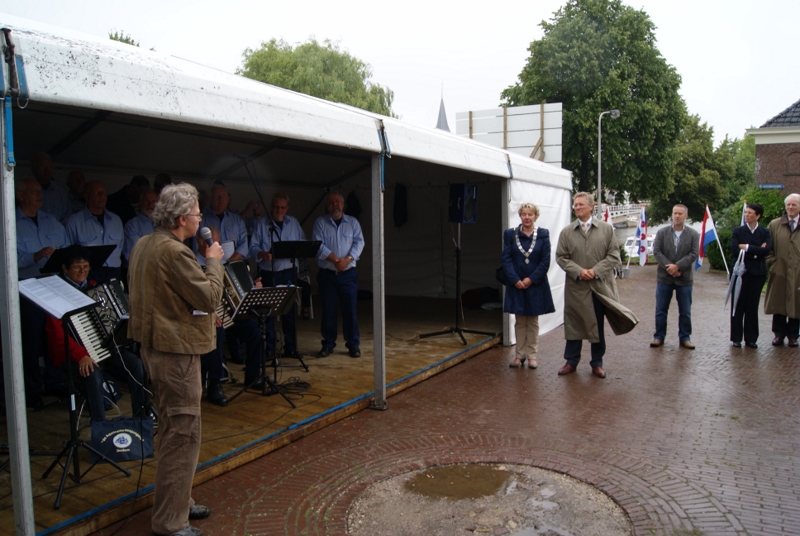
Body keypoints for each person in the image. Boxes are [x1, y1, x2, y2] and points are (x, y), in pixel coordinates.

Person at [128, 183, 224, 536]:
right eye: (198, 214)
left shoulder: (144, 243)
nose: (201, 220)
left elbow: (166, 298)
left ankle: (178, 501)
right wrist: (213, 261)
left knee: (172, 429)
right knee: (182, 434)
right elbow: (209, 296)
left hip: (155, 347)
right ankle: (170, 521)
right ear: (182, 219)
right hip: (175, 354)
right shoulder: (175, 253)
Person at [44, 246, 148, 421]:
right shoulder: (57, 295)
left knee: (136, 364)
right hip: (76, 354)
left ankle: (141, 416)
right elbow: (57, 337)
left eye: (85, 266)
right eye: (77, 267)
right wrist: (81, 355)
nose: (82, 271)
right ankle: (100, 425)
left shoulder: (95, 288)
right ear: (65, 268)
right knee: (92, 373)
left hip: (104, 348)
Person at [555, 192, 638, 378]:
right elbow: (561, 257)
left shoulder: (606, 230)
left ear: (591, 207)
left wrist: (596, 271)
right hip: (576, 287)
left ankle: (597, 363)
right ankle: (571, 361)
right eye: (575, 205)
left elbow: (614, 256)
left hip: (599, 286)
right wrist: (578, 271)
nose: (577, 207)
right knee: (574, 323)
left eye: (581, 204)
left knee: (597, 324)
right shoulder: (567, 232)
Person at [15, 177, 70, 408]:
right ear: (21, 195)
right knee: (30, 340)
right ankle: (32, 390)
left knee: (54, 336)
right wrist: (34, 256)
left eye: (40, 191)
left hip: (52, 285)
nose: (39, 195)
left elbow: (66, 250)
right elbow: (8, 259)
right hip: (27, 287)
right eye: (33, 191)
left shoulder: (52, 221)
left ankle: (54, 382)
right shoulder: (11, 222)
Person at [196, 227, 263, 405]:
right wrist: (210, 313)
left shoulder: (224, 263)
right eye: (210, 243)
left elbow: (236, 291)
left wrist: (253, 288)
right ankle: (215, 384)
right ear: (199, 243)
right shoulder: (193, 264)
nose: (214, 246)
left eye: (217, 242)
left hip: (231, 315)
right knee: (217, 332)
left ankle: (253, 375)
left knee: (254, 331)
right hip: (207, 317)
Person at [250, 193, 306, 357]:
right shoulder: (262, 224)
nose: (279, 210)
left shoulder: (293, 223)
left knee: (290, 312)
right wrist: (262, 254)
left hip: (289, 272)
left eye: (282, 207)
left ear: (287, 208)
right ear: (271, 207)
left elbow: (303, 244)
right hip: (269, 273)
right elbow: (252, 247)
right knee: (268, 313)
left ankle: (291, 348)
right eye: (276, 207)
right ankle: (269, 349)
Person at [501, 202, 555, 369]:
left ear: (535, 216)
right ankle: (519, 355)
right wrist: (514, 279)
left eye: (530, 214)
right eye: (524, 214)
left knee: (532, 321)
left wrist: (531, 279)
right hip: (516, 284)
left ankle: (531, 355)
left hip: (535, 284)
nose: (526, 217)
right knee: (519, 320)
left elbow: (545, 261)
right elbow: (506, 259)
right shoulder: (510, 234)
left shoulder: (543, 234)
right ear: (520, 216)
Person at [312, 191, 365, 358]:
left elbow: (359, 243)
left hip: (348, 274)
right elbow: (318, 245)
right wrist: (336, 260)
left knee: (350, 310)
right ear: (327, 206)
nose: (334, 205)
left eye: (337, 202)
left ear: (343, 204)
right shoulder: (320, 222)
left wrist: (347, 260)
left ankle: (353, 345)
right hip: (327, 274)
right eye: (331, 202)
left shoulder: (353, 222)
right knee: (328, 310)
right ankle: (328, 344)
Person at [650, 204, 700, 349]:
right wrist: (670, 268)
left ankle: (685, 337)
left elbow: (693, 254)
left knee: (685, 311)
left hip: (684, 279)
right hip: (664, 278)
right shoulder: (662, 232)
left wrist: (677, 266)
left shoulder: (693, 234)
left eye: (680, 213)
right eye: (675, 213)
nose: (677, 216)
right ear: (672, 215)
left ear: (686, 216)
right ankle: (659, 336)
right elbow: (657, 252)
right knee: (661, 310)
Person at [64, 180, 125, 283]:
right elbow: (69, 253)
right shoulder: (74, 221)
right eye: (96, 192)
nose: (101, 196)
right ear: (86, 197)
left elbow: (121, 246)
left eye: (103, 192)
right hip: (89, 273)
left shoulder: (116, 220)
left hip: (114, 272)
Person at [730, 203, 771, 348]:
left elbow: (766, 250)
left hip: (757, 273)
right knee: (738, 304)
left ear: (757, 216)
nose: (746, 215)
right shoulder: (738, 231)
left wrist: (746, 247)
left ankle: (751, 338)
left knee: (752, 306)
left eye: (750, 213)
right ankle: (736, 337)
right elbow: (734, 250)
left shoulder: (764, 232)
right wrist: (757, 249)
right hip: (740, 272)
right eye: (746, 212)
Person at [764, 193, 800, 347]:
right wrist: (772, 262)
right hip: (780, 269)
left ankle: (793, 336)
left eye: (794, 205)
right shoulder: (775, 224)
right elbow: (766, 246)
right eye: (788, 205)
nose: (790, 207)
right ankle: (778, 334)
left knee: (796, 303)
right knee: (778, 302)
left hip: (798, 271)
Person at [198, 183, 248, 262]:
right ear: (210, 200)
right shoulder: (202, 221)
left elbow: (243, 246)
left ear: (228, 199)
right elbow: (198, 247)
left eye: (224, 196)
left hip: (233, 264)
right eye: (217, 196)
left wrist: (229, 263)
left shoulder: (237, 220)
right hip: (210, 265)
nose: (221, 199)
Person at [31, 151, 71, 223]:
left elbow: (67, 216)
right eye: (42, 167)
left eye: (49, 167)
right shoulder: (28, 189)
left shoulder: (59, 190)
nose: (47, 170)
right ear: (34, 169)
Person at [123, 189, 158, 262]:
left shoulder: (162, 224)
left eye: (154, 201)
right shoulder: (132, 225)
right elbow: (133, 254)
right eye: (147, 201)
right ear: (140, 203)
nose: (150, 205)